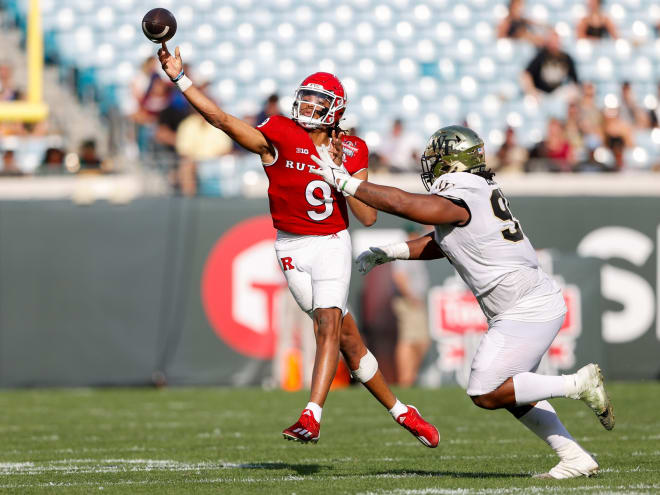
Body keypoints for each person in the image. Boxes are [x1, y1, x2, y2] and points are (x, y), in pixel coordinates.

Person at [156, 43, 439, 446]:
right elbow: (220, 119)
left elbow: (368, 216)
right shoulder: (280, 133)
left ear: (335, 110)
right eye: (304, 98)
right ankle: (403, 412)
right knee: (348, 340)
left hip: (331, 243)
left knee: (327, 323)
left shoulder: (352, 148)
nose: (306, 106)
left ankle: (311, 415)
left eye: (316, 101)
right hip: (290, 246)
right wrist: (180, 78)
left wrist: (342, 173)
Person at [310, 125, 614, 478]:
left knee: (485, 390)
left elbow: (404, 204)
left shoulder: (463, 192)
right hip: (526, 303)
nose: (431, 167)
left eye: (437, 160)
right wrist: (391, 252)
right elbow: (446, 241)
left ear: (453, 162)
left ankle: (577, 384)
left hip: (525, 306)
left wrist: (344, 181)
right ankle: (574, 457)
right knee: (510, 390)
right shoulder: (474, 192)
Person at [392, 223, 431, 387]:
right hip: (408, 301)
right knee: (409, 340)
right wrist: (410, 296)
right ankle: (405, 378)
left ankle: (409, 376)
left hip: (414, 299)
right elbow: (399, 276)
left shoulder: (413, 249)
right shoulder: (405, 249)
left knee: (421, 341)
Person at [521, 30, 579, 102]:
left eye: (556, 41)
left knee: (573, 93)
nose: (554, 45)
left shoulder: (566, 58)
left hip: (558, 94)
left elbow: (575, 81)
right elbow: (526, 74)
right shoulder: (541, 56)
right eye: (552, 42)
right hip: (541, 94)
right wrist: (532, 91)